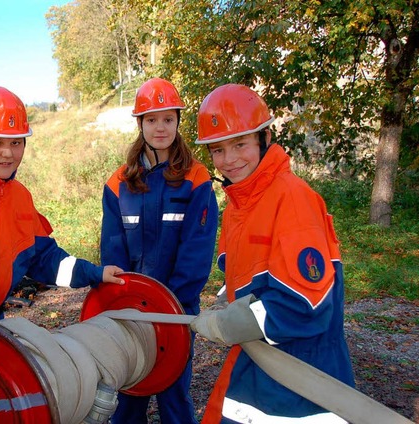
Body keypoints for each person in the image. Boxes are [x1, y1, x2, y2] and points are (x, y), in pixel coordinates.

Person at [190, 83, 355, 423]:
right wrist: (226, 303)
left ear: (265, 138)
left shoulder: (292, 199)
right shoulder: (240, 205)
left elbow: (307, 307)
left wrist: (230, 322)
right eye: (217, 150)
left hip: (299, 384)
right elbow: (243, 275)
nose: (229, 159)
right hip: (258, 368)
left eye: (240, 144)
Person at [0, 86, 124, 345]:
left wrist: (95, 273)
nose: (8, 153)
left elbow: (46, 259)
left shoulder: (19, 197)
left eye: (16, 143)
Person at [100, 77, 219, 424]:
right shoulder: (118, 183)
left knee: (174, 396)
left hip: (177, 311)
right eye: (151, 119)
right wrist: (123, 304)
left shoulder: (197, 179)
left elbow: (196, 253)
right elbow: (113, 250)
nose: (160, 127)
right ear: (140, 124)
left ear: (178, 121)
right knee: (129, 395)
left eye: (168, 119)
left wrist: (170, 308)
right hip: (131, 312)